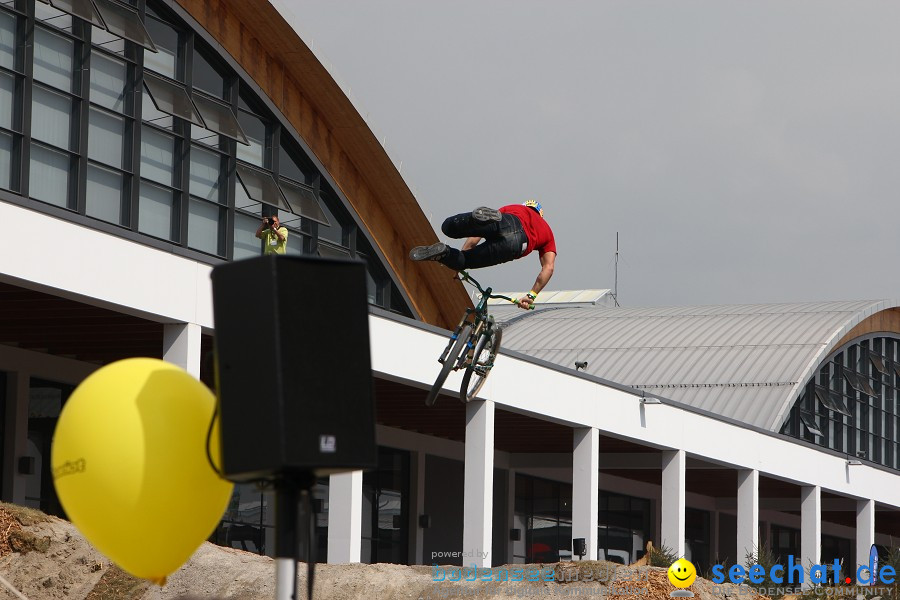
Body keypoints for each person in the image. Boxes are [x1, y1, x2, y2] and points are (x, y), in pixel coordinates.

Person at [410, 200, 556, 309]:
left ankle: (471, 221)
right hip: (516, 245)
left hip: (508, 219)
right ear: (541, 216)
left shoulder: (515, 207)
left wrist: (463, 250)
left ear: (525, 206)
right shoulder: (547, 231)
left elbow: (474, 239)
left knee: (448, 227)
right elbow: (548, 268)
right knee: (464, 261)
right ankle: (445, 254)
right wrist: (532, 295)